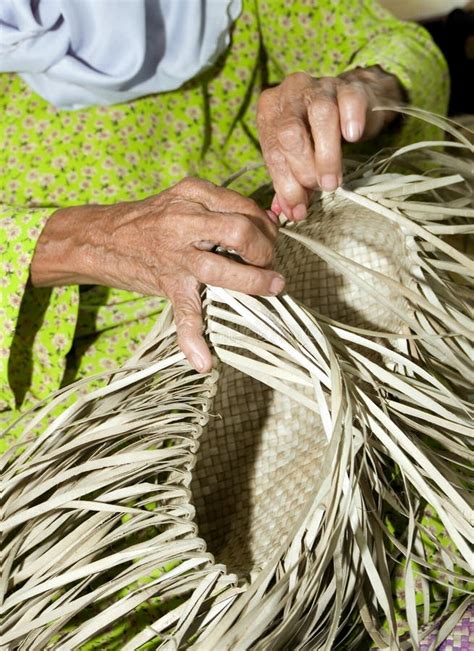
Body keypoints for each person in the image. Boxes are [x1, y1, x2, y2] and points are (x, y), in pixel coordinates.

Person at [0, 0, 448, 453]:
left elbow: (404, 49)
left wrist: (361, 88)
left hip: (277, 326)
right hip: (60, 398)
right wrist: (91, 242)